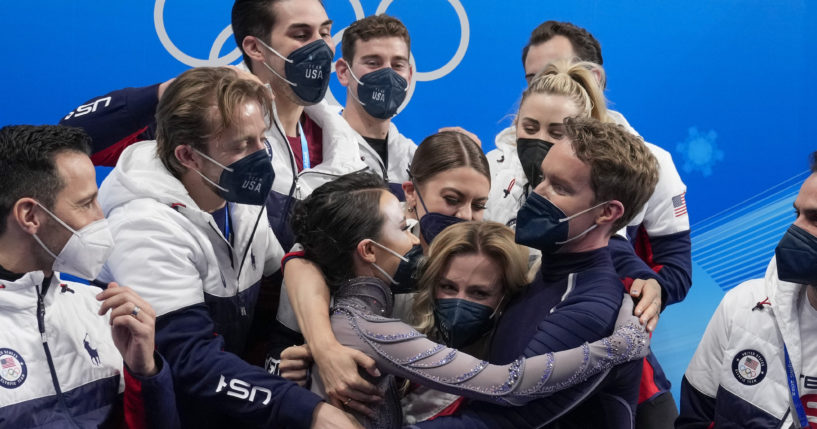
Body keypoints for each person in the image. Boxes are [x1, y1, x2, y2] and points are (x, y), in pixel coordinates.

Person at [281, 171, 649, 428]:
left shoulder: (355, 316)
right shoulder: (368, 327)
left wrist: (642, 275)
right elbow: (508, 384)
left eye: (479, 293)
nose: (415, 239)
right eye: (403, 227)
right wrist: (617, 346)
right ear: (368, 251)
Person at [95, 67, 356, 428]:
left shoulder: (235, 191)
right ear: (187, 155)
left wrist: (291, 352)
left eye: (262, 139)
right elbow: (190, 361)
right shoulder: (143, 225)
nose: (262, 156)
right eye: (241, 145)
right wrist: (310, 412)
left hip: (221, 406)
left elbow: (286, 278)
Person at [487, 21, 692, 426]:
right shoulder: (492, 166)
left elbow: (629, 254)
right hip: (505, 347)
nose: (551, 82)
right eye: (534, 78)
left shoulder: (642, 166)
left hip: (600, 362)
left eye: (557, 131)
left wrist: (643, 289)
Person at [59, 0, 368, 250]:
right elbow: (69, 140)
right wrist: (172, 90)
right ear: (255, 48)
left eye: (325, 33)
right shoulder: (200, 123)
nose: (322, 48)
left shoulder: (339, 137)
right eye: (301, 35)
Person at [417, 117, 660, 428]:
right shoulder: (543, 275)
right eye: (542, 177)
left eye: (559, 187)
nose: (538, 192)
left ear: (607, 212)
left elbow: (497, 419)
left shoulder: (591, 308)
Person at [270, 131, 490, 413]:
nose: (466, 216)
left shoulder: (487, 255)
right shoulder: (374, 230)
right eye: (451, 199)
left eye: (480, 205)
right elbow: (301, 259)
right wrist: (322, 349)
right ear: (411, 192)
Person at [0, 125, 179, 428]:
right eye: (86, 204)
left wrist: (144, 371)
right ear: (30, 216)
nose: (100, 217)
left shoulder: (99, 310)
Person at [677, 152, 817, 428]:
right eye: (797, 214)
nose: (793, 229)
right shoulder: (743, 304)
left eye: (815, 219)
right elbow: (695, 420)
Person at [401, 221, 530, 423]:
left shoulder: (507, 368)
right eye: (448, 287)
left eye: (479, 293)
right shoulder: (403, 320)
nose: (460, 304)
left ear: (507, 295)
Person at [335, 14, 417, 199]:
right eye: (373, 63)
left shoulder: (417, 160)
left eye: (397, 65)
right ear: (343, 72)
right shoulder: (323, 148)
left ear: (409, 75)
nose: (387, 74)